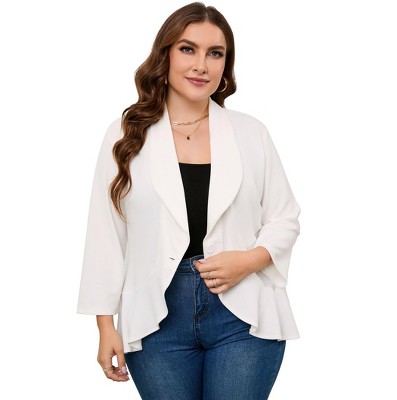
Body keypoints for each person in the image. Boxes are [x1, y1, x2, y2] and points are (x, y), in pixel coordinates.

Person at [77, 2, 301, 399]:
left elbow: (284, 217)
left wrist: (249, 260)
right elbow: (105, 234)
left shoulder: (251, 133)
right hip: (155, 318)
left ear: (226, 65)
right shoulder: (125, 135)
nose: (201, 65)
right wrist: (105, 325)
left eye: (215, 53)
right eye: (187, 49)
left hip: (243, 315)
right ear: (165, 54)